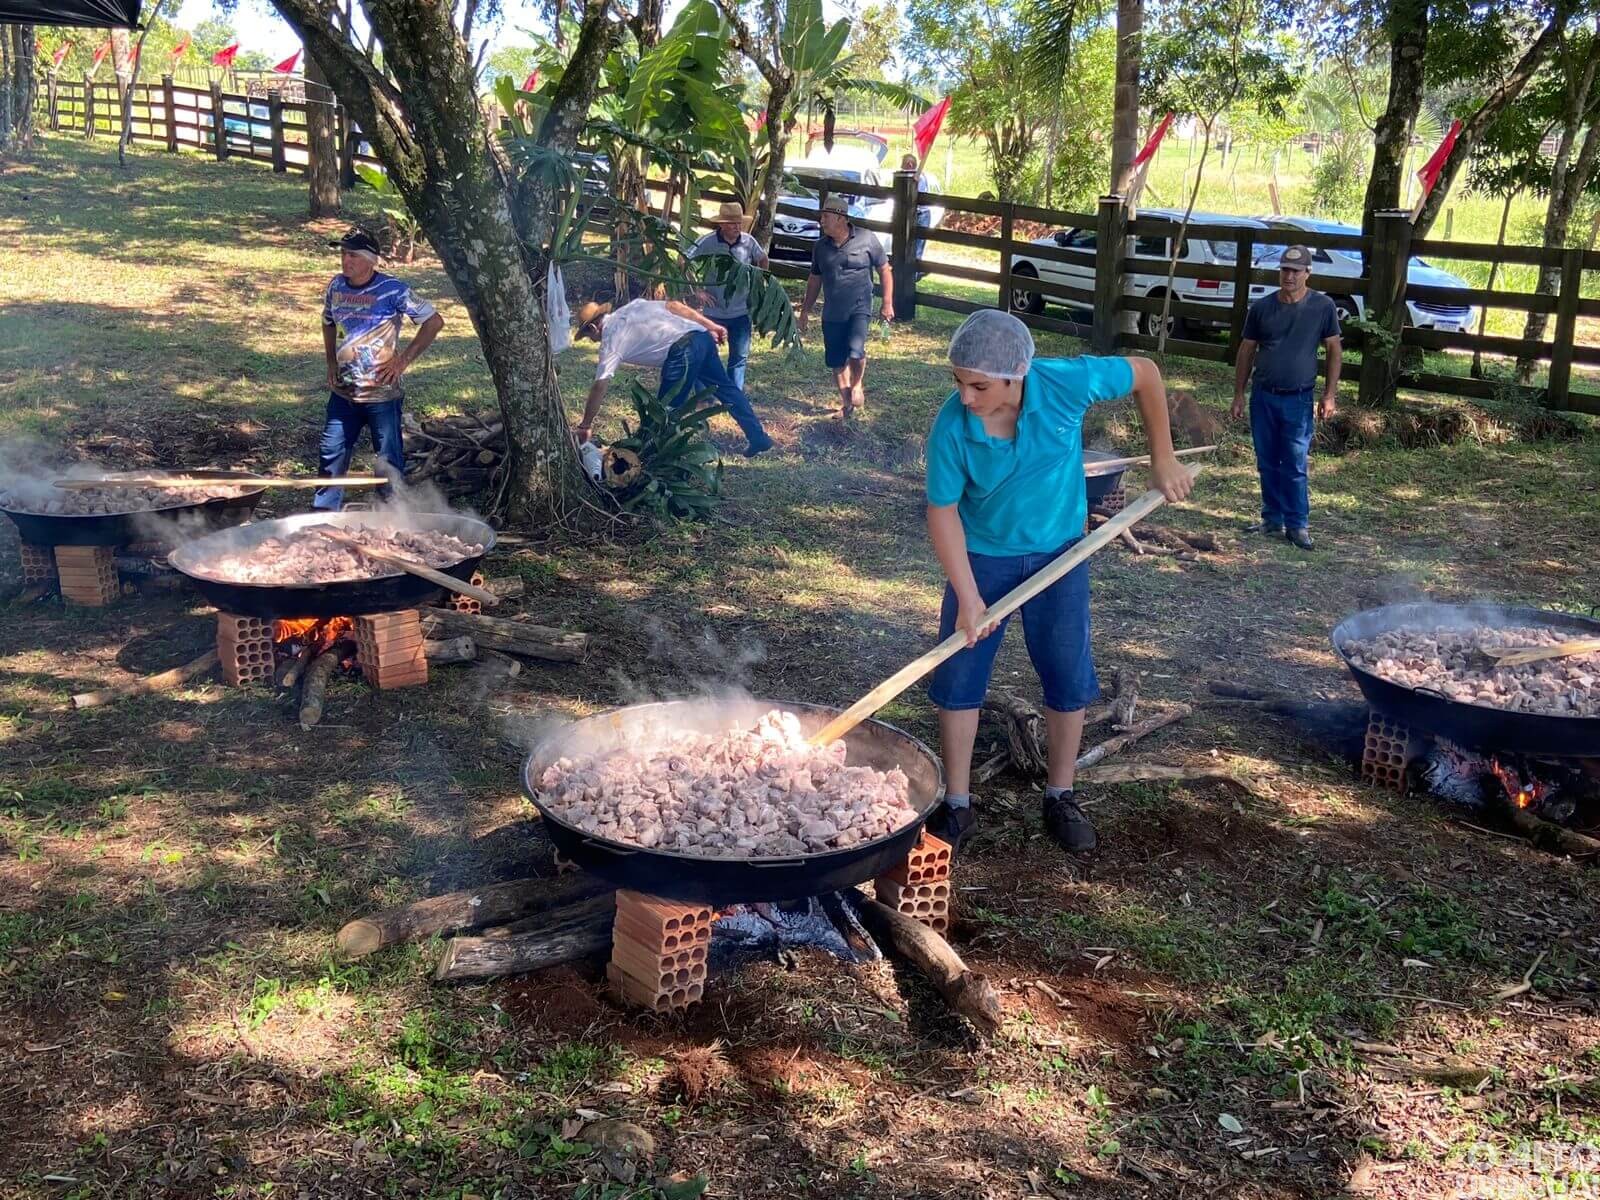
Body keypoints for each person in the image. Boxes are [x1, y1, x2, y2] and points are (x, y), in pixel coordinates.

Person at [922, 311, 1192, 857]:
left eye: (979, 385)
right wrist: (969, 597)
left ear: (1015, 375)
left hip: (1062, 555)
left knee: (1068, 675)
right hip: (983, 558)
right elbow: (943, 511)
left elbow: (1145, 372)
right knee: (959, 676)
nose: (966, 397)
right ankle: (956, 802)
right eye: (959, 382)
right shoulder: (953, 426)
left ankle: (1061, 794)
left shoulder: (1064, 383)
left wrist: (1163, 457)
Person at [316, 229, 444, 510]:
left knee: (388, 458)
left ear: (371, 260)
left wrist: (402, 361)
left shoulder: (394, 290)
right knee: (331, 451)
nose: (345, 260)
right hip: (344, 391)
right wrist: (331, 362)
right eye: (342, 254)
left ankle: (392, 514)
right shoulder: (336, 286)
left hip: (381, 395)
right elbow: (327, 322)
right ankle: (323, 513)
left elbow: (434, 322)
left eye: (352, 255)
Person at [1230, 244, 1341, 550]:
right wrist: (1239, 393)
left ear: (1308, 273)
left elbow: (1334, 348)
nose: (1289, 276)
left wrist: (1329, 394)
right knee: (1267, 460)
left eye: (1295, 271)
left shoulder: (1322, 307)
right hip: (1264, 394)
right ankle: (1272, 517)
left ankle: (1298, 524)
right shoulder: (1263, 307)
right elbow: (1246, 350)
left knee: (1294, 462)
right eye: (1284, 270)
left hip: (1299, 397)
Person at [573, 298, 773, 456]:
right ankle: (758, 436)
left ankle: (650, 459)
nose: (592, 341)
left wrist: (586, 424)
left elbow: (600, 384)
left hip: (682, 352)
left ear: (592, 328)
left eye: (588, 336)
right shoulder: (633, 306)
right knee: (727, 389)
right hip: (702, 337)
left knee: (664, 413)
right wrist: (709, 325)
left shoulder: (611, 338)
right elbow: (675, 306)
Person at [797, 195, 894, 419]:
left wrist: (887, 303)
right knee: (836, 359)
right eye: (821, 216)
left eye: (826, 216)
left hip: (860, 307)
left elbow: (885, 270)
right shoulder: (820, 247)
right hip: (832, 311)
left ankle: (857, 383)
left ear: (841, 218)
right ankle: (846, 401)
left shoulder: (867, 239)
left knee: (856, 350)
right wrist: (805, 310)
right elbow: (814, 279)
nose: (822, 220)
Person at [687, 201, 768, 391]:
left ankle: (734, 396)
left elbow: (763, 259)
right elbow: (684, 261)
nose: (736, 227)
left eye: (739, 223)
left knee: (739, 358)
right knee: (705, 355)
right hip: (712, 311)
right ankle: (704, 396)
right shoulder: (707, 242)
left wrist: (759, 281)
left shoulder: (748, 242)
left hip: (741, 310)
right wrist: (696, 289)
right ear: (721, 224)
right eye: (732, 223)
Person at [899, 152, 938, 279]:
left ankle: (913, 274)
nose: (909, 164)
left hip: (922, 213)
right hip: (911, 213)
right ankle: (909, 273)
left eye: (911, 162)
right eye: (907, 162)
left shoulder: (919, 176)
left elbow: (917, 194)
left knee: (919, 244)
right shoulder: (904, 175)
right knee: (907, 243)